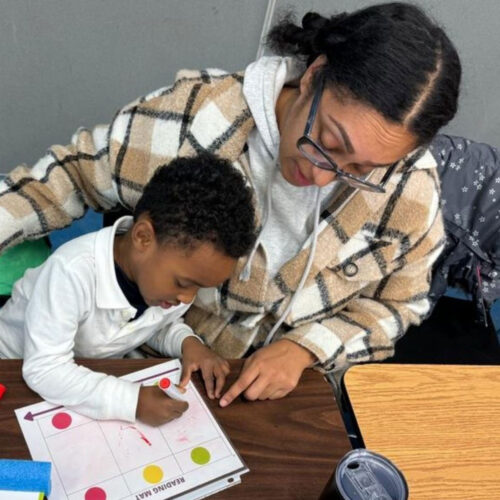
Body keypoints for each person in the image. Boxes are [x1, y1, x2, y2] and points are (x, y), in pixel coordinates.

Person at [0, 3, 461, 407]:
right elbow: (67, 177)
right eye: (326, 141)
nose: (322, 176)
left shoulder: (409, 191)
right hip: (154, 365)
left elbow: (399, 306)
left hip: (286, 394)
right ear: (315, 76)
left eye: (360, 168)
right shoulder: (192, 118)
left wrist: (305, 349)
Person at [0, 154, 256, 425]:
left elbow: (151, 325)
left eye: (199, 288)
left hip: (79, 380)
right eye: (183, 283)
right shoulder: (71, 272)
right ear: (143, 237)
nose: (187, 298)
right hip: (14, 372)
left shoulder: (161, 286)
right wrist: (131, 402)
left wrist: (187, 343)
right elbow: (45, 369)